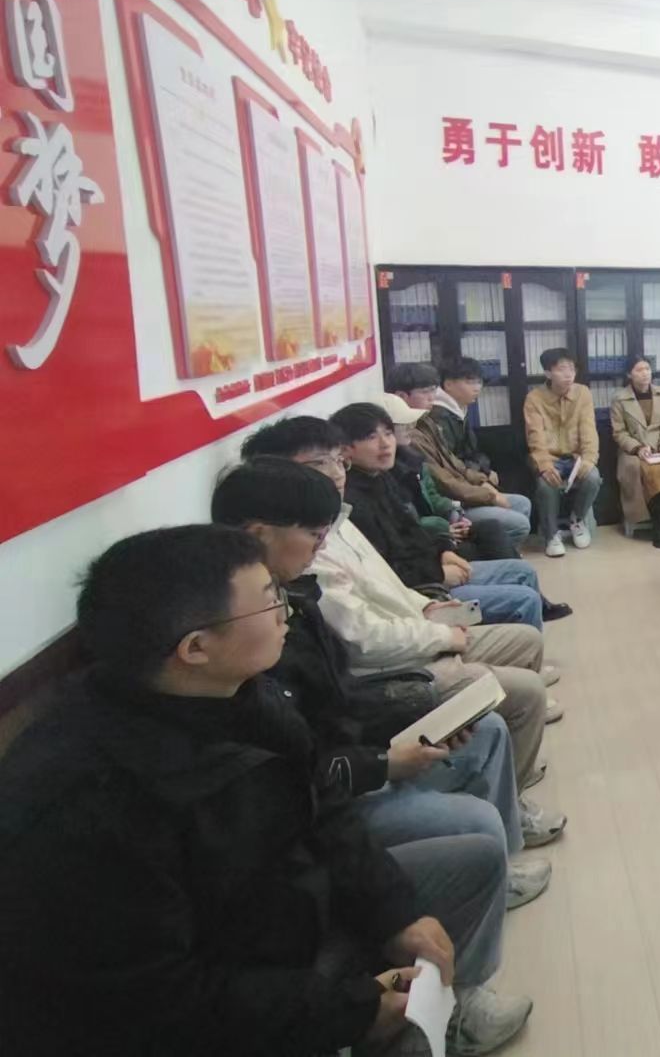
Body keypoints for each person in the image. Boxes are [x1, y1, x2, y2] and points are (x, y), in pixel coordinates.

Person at [0, 525, 528, 1055]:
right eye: (269, 600)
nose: (286, 612)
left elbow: (326, 812)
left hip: (284, 916)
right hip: (221, 990)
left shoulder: (244, 695)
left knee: (474, 862)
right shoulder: (87, 802)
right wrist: (352, 1009)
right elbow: (159, 1000)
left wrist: (395, 913)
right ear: (196, 647)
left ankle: (442, 1016)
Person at [211, 458, 564, 906]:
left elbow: (337, 700)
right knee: (479, 820)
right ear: (260, 534)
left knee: (486, 725)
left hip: (370, 722)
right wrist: (385, 760)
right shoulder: (249, 644)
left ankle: (507, 849)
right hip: (348, 779)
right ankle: (492, 865)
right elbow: (304, 770)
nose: (322, 544)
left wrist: (406, 722)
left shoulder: (295, 595)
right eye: (314, 535)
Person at [242, 416, 558, 786]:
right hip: (399, 665)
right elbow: (364, 641)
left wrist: (425, 606)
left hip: (418, 627)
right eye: (319, 463)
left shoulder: (339, 519)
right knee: (522, 690)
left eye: (338, 460)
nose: (336, 472)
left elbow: (392, 577)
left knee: (525, 637)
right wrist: (442, 633)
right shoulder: (303, 558)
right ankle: (513, 778)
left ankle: (514, 759)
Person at [332, 403, 566, 628]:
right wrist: (439, 572)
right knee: (524, 599)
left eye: (388, 433)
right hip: (420, 595)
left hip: (430, 567)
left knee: (523, 571)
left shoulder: (381, 477)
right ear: (345, 449)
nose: (385, 444)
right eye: (371, 437)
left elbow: (411, 530)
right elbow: (385, 572)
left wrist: (442, 551)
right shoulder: (353, 504)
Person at [382, 393, 520, 561]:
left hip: (445, 522)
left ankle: (512, 567)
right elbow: (407, 520)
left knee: (492, 529)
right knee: (500, 535)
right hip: (428, 540)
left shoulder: (414, 454)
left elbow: (437, 489)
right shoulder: (388, 472)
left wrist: (455, 513)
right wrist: (445, 527)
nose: (409, 428)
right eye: (402, 425)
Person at [414, 358, 534, 545]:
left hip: (464, 487)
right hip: (452, 501)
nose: (477, 387)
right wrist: (487, 493)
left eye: (479, 381)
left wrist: (483, 476)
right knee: (518, 521)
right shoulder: (436, 417)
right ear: (448, 384)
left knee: (521, 503)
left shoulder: (452, 413)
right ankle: (495, 553)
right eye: (470, 381)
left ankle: (505, 551)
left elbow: (461, 458)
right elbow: (444, 480)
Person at [523, 348, 602, 557]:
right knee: (545, 484)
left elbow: (589, 429)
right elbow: (535, 436)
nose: (568, 374)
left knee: (593, 478)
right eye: (561, 369)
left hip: (575, 457)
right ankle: (551, 535)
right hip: (549, 457)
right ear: (548, 373)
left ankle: (577, 520)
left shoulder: (583, 393)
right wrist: (544, 465)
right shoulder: (534, 398)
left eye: (572, 369)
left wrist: (589, 459)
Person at [610, 354, 660, 547]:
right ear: (629, 374)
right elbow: (619, 432)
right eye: (639, 370)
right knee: (636, 468)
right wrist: (638, 448)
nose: (645, 374)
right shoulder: (620, 398)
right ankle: (656, 525)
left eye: (647, 369)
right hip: (634, 449)